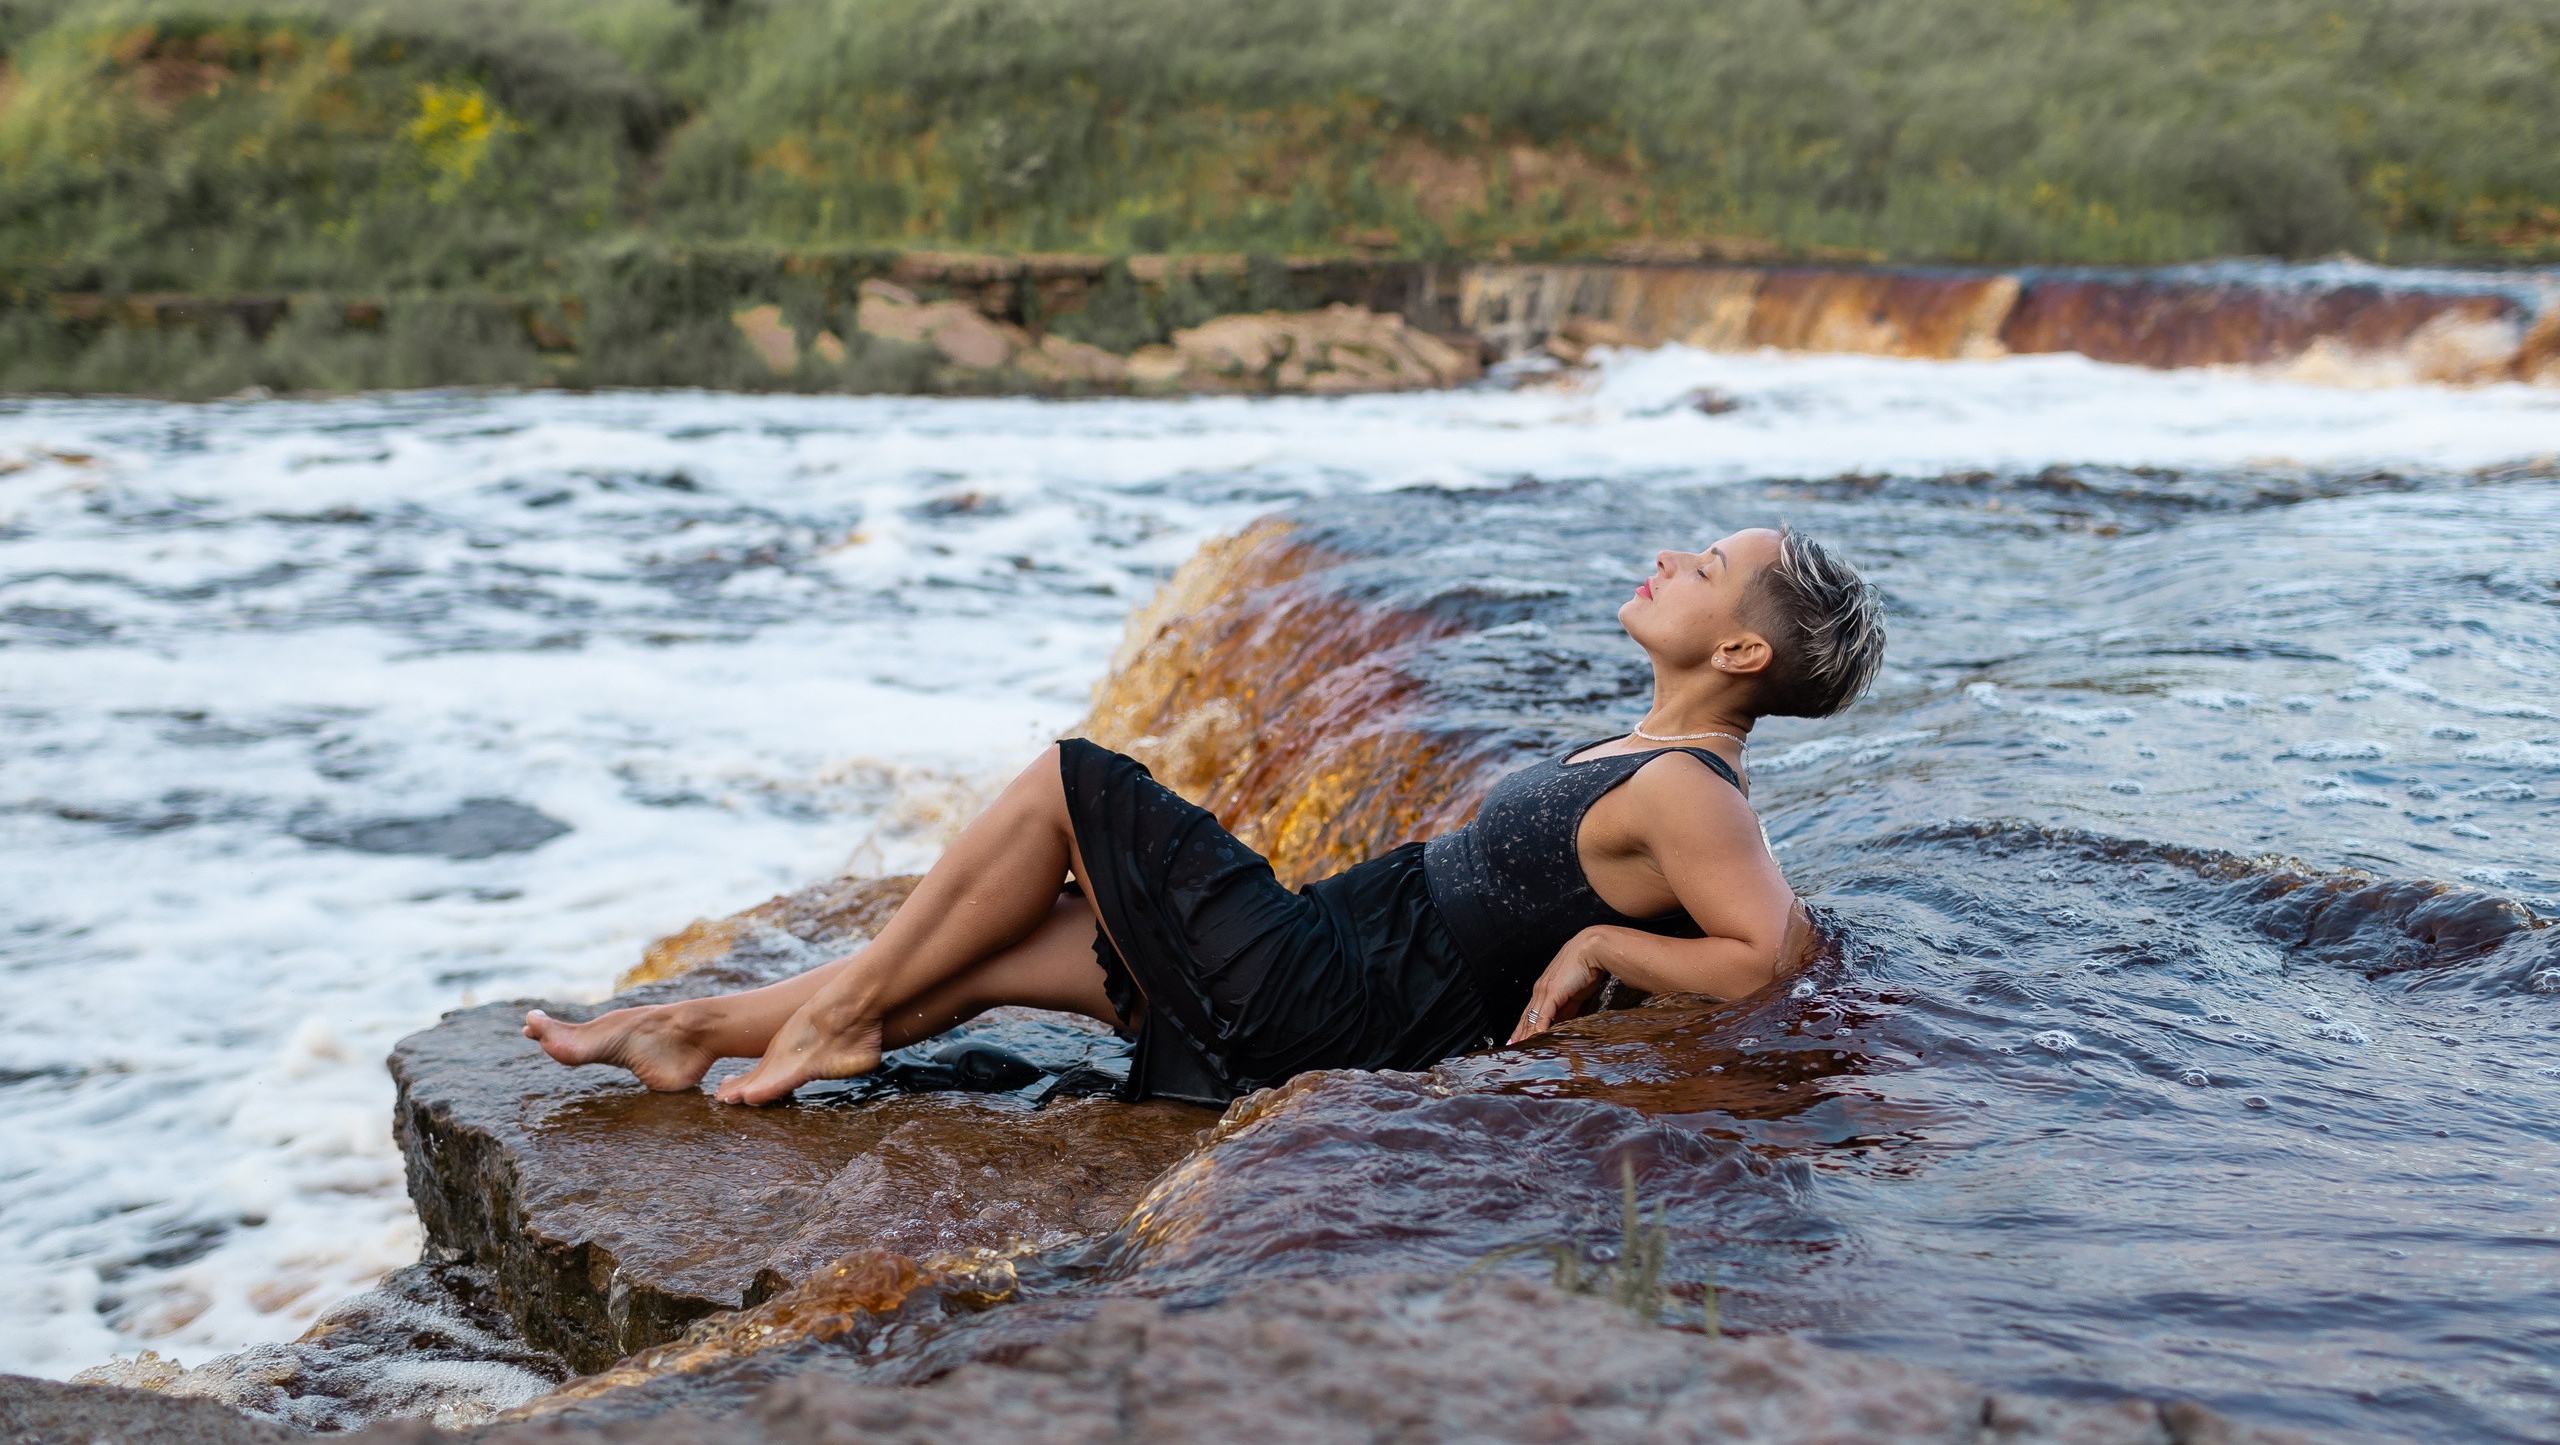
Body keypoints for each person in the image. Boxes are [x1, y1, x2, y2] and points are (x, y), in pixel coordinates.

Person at [525, 525, 1887, 1107]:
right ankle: (693, 1031)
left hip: (1339, 1003)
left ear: (1742, 652)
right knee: (1005, 946)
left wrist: (1601, 951)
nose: (1671, 558)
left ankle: (829, 1022)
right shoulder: (1650, 751)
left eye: (1706, 566)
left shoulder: (1689, 790)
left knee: (1070, 781)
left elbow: (1766, 953)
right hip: (1340, 954)